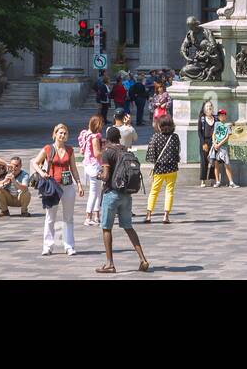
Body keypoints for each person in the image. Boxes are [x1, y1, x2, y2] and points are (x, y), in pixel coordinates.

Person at [97, 126, 151, 274]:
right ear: (119, 137)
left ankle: (109, 264)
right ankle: (143, 259)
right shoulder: (125, 150)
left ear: (107, 138)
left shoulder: (107, 152)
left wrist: (99, 175)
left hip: (112, 194)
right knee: (128, 227)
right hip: (126, 195)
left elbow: (106, 176)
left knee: (106, 228)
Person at [33, 123, 84, 256]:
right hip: (53, 186)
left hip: (67, 186)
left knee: (68, 217)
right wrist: (42, 173)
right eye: (60, 132)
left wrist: (78, 184)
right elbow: (35, 162)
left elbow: (73, 168)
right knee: (50, 217)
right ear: (55, 134)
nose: (62, 135)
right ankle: (48, 246)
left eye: (65, 133)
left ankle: (69, 246)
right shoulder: (49, 148)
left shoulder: (69, 150)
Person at [144, 114, 182, 223]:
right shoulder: (175, 137)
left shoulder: (155, 137)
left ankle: (149, 215)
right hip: (172, 168)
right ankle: (166, 216)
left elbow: (151, 154)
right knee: (169, 191)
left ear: (159, 126)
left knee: (154, 191)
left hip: (159, 168)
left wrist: (155, 161)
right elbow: (177, 152)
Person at [78, 115, 105, 227]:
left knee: (97, 191)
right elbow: (97, 153)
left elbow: (81, 151)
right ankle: (88, 216)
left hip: (88, 165)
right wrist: (105, 150)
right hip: (95, 166)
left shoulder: (85, 134)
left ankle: (96, 215)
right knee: (94, 192)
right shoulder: (94, 137)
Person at [208, 108, 237, 187]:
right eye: (219, 115)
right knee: (216, 164)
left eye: (222, 115)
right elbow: (213, 134)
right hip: (216, 146)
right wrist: (214, 143)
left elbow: (227, 137)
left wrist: (219, 144)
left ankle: (231, 182)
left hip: (223, 147)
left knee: (226, 164)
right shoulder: (217, 124)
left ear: (225, 116)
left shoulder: (227, 125)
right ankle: (217, 181)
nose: (221, 116)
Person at [197, 100, 217, 186]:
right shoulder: (202, 119)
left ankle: (212, 179)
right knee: (204, 161)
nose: (209, 108)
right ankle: (203, 180)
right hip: (205, 141)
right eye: (207, 106)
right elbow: (199, 132)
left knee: (213, 160)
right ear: (204, 109)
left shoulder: (216, 119)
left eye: (210, 106)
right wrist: (203, 143)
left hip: (213, 142)